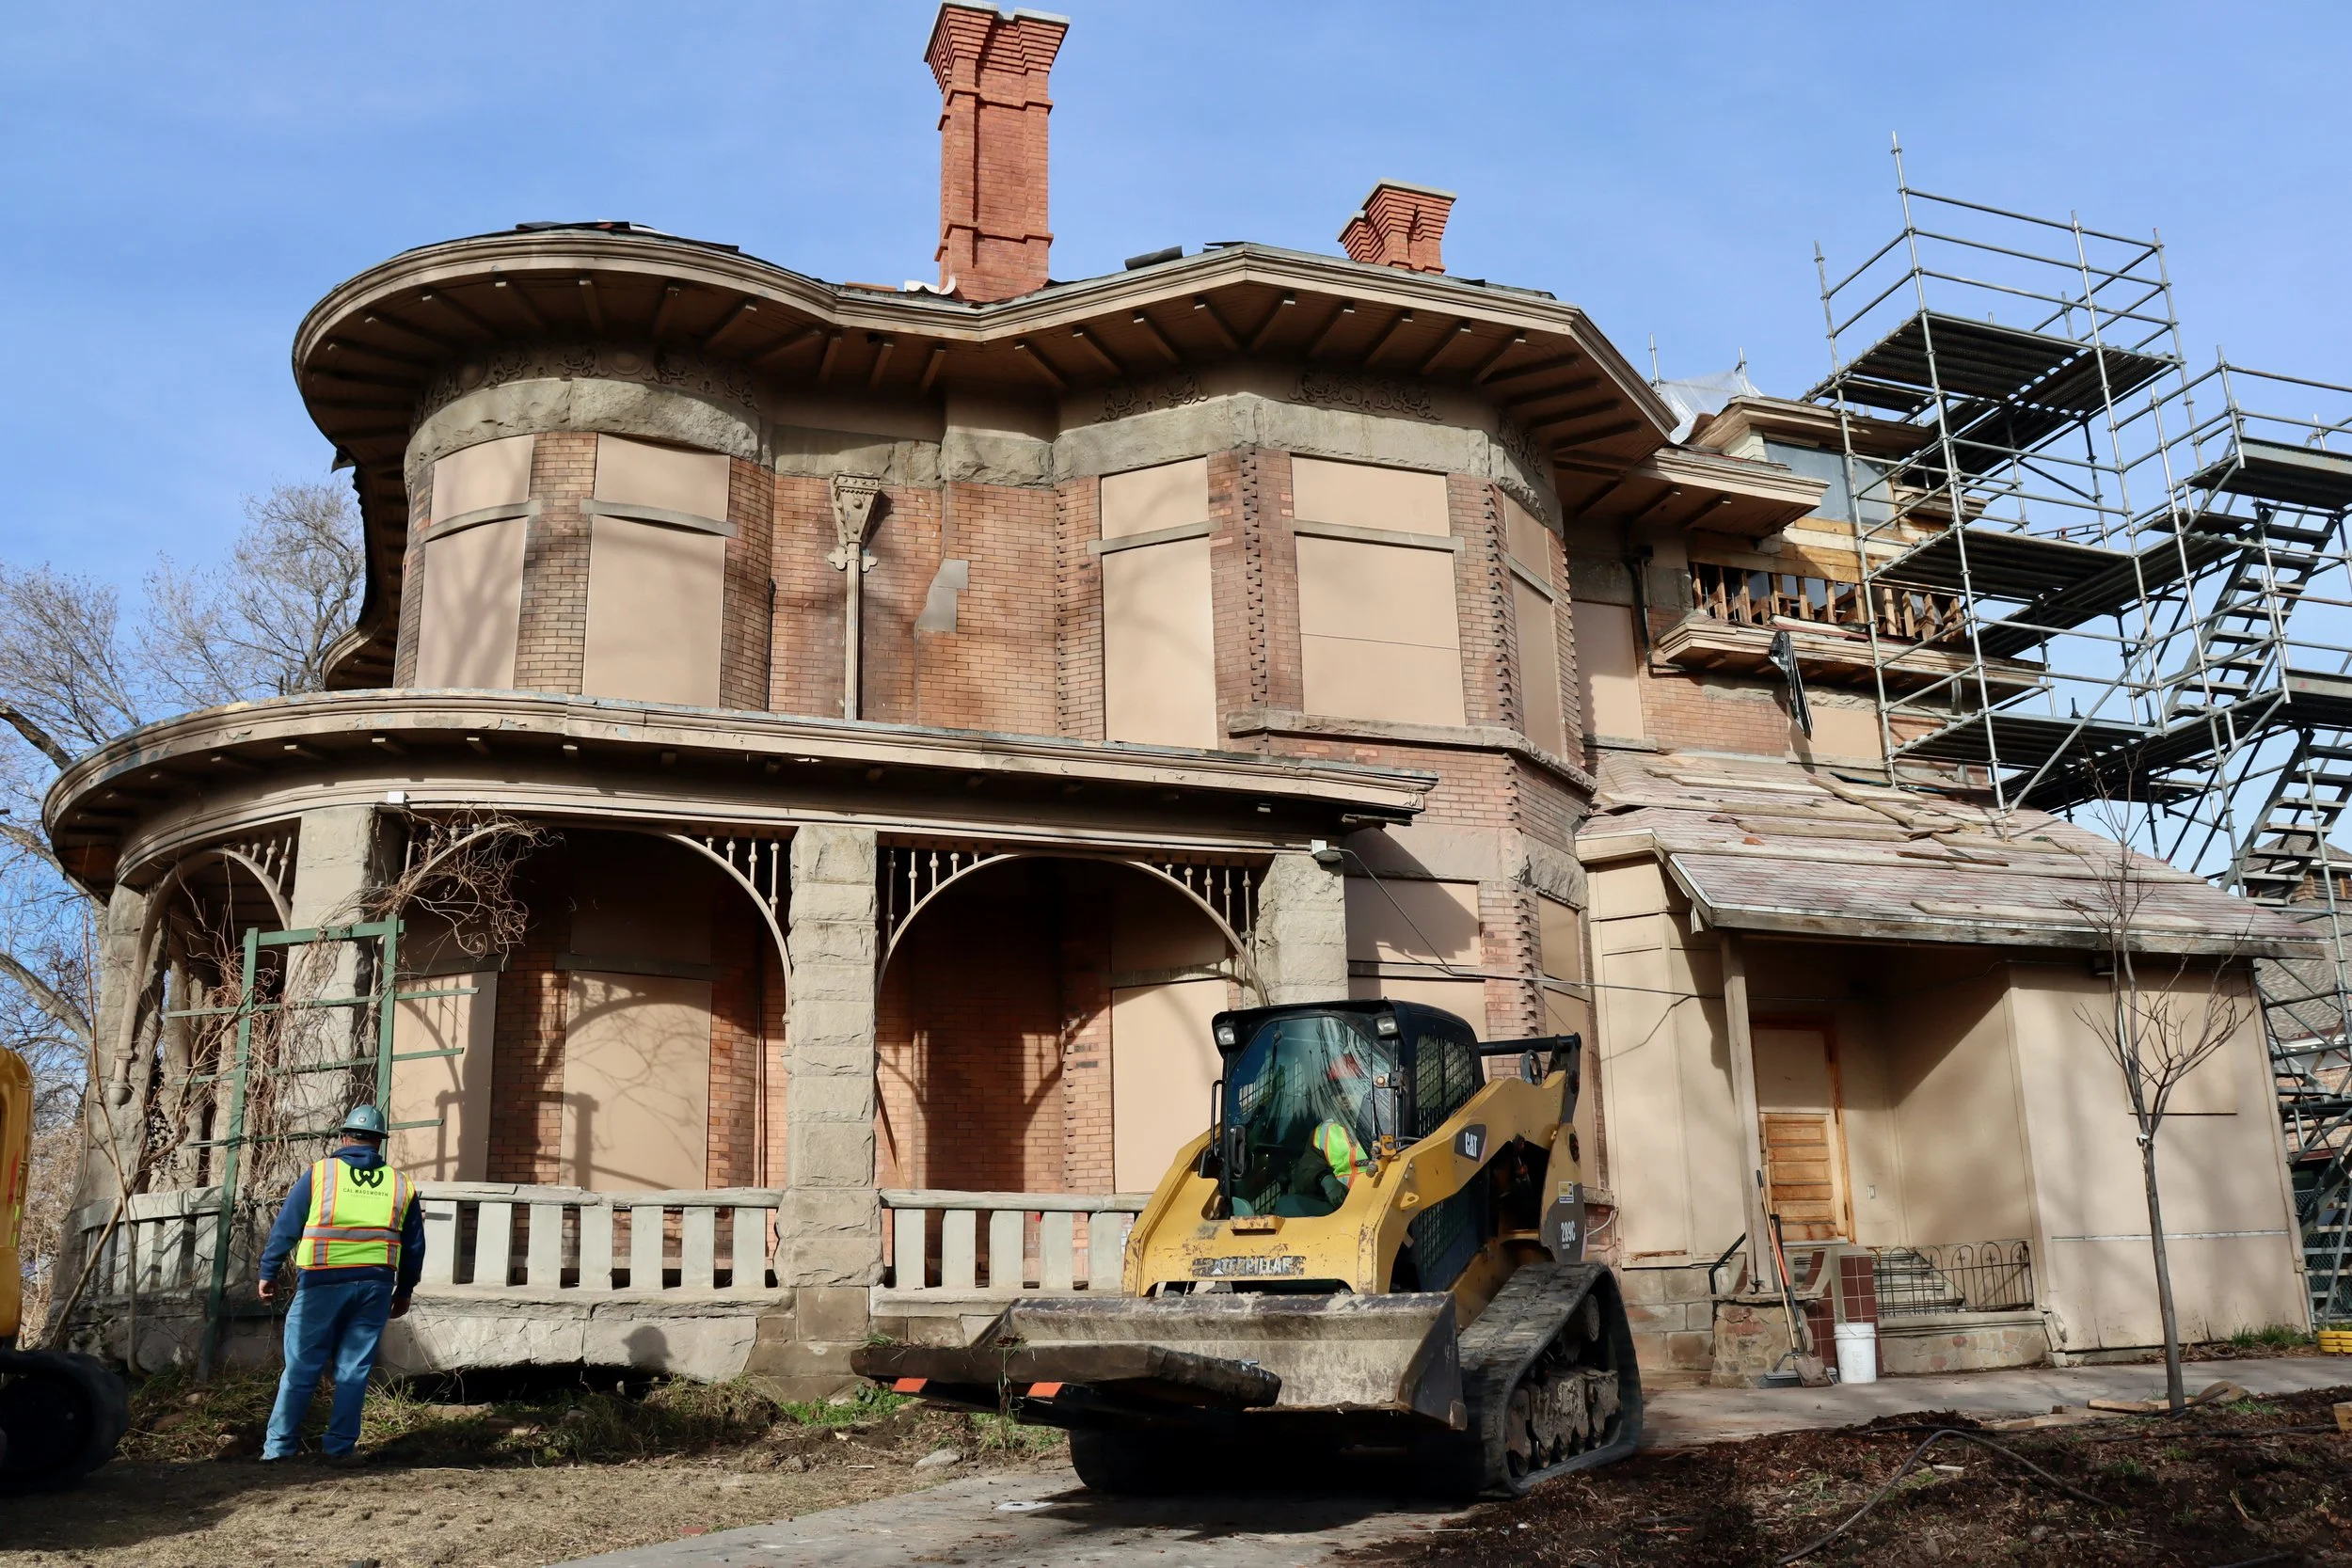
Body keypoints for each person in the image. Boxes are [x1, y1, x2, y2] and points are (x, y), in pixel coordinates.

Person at [256, 1104, 424, 1461]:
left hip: (322, 1284)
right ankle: (339, 1450)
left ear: (344, 1137)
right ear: (379, 1142)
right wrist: (405, 1290)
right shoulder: (400, 1184)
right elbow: (414, 1246)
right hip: (375, 1288)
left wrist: (268, 1271)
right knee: (354, 1370)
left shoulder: (321, 1174)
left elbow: (287, 1227)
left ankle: (279, 1451)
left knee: (302, 1368)